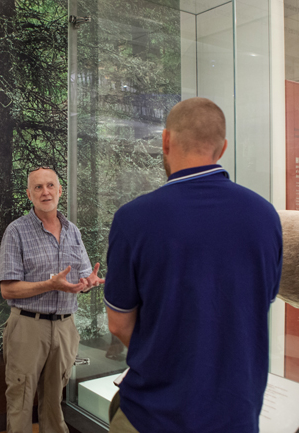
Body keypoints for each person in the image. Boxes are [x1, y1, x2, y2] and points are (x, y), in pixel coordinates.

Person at [104, 97, 283, 433]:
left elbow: (118, 324)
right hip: (237, 416)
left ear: (166, 141)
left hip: (153, 415)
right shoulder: (266, 217)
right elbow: (259, 304)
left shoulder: (133, 220)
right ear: (223, 147)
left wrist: (163, 353)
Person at [0, 167, 105, 433]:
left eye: (50, 186)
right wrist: (49, 285)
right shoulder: (16, 232)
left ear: (60, 191)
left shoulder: (73, 231)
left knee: (54, 402)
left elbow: (79, 278)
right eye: (38, 187)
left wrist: (87, 284)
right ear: (29, 194)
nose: (45, 192)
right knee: (20, 401)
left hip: (65, 328)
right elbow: (8, 290)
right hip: (27, 327)